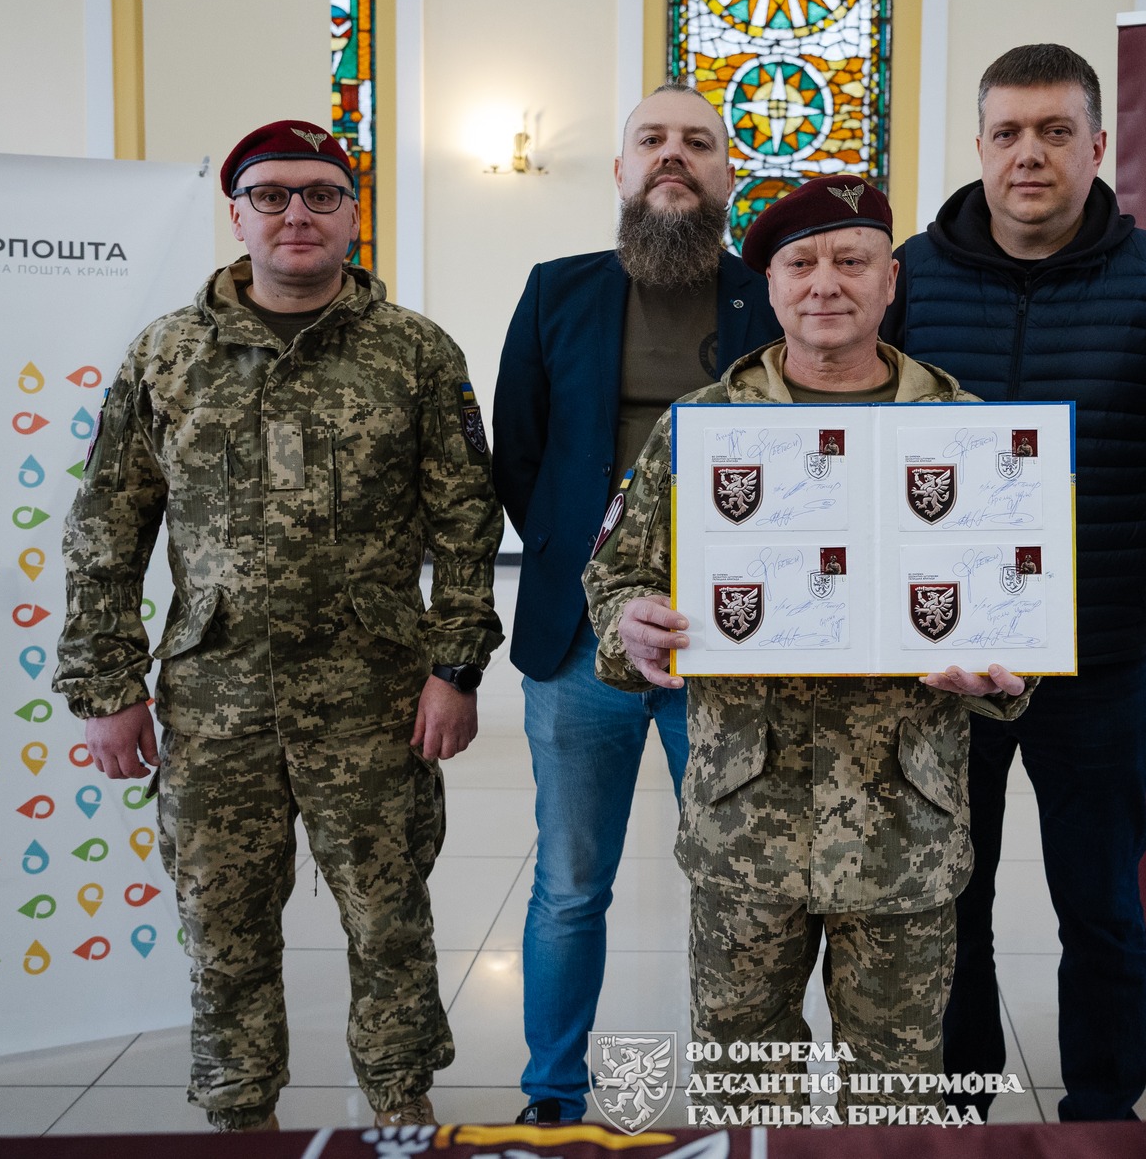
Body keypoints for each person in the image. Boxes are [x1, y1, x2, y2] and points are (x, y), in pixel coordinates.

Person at [55, 120, 504, 1132]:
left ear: (352, 213)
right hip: (216, 701)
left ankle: (399, 1105)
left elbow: (467, 520)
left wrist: (457, 668)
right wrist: (106, 687)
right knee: (223, 927)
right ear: (237, 215)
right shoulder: (168, 354)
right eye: (271, 195)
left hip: (376, 696)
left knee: (389, 920)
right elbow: (105, 527)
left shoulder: (415, 351)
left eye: (320, 193)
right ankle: (237, 1115)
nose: (296, 213)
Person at [583, 176, 1032, 1116]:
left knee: (895, 1099)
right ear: (771, 284)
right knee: (746, 1090)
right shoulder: (702, 427)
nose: (826, 282)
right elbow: (613, 578)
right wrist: (632, 625)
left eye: (852, 260)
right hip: (745, 822)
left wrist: (1005, 674)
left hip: (904, 826)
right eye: (802, 263)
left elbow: (1015, 624)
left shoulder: (967, 429)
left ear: (892, 280)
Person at [883, 43, 1146, 1120]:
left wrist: (1099, 551)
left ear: (1097, 145)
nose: (1030, 153)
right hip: (945, 663)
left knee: (1102, 906)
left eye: (1055, 131)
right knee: (950, 901)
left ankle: (1104, 1117)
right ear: (979, 146)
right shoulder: (912, 275)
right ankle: (958, 1110)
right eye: (1009, 132)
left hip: (1096, 660)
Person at [493, 83, 781, 1124]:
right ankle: (552, 1095)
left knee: (741, 883)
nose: (672, 154)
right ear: (620, 170)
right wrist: (598, 579)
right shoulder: (556, 290)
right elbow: (522, 454)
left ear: (726, 174)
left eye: (696, 142)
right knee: (571, 883)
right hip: (583, 644)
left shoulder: (772, 295)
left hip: (731, 640)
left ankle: (739, 1103)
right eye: (651, 138)